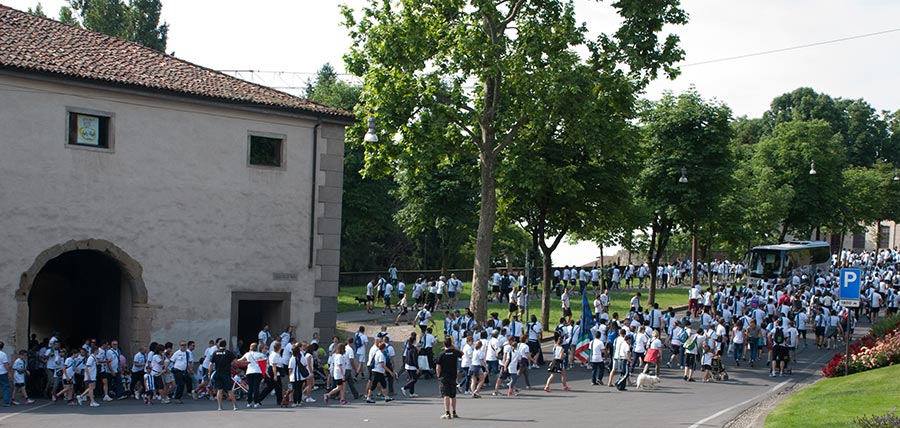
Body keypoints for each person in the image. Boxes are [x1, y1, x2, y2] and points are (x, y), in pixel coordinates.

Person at [436, 337, 463, 419]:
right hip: (453, 375)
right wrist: (454, 347)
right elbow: (462, 353)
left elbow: (438, 366)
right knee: (453, 395)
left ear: (444, 344)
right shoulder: (454, 352)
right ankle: (454, 411)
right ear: (451, 344)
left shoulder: (441, 354)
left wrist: (438, 375)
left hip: (444, 376)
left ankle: (447, 413)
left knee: (446, 395)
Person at [208, 339, 238, 411]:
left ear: (219, 345)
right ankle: (234, 406)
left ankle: (220, 406)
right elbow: (235, 362)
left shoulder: (215, 353)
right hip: (226, 373)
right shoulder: (229, 353)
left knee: (219, 390)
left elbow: (211, 364)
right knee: (229, 390)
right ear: (225, 345)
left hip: (218, 373)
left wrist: (209, 373)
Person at [400, 333, 420, 397]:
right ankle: (405, 387)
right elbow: (415, 359)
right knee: (414, 379)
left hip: (408, 365)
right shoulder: (413, 349)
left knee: (411, 379)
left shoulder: (409, 348)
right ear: (413, 341)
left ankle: (412, 393)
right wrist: (417, 368)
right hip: (412, 366)